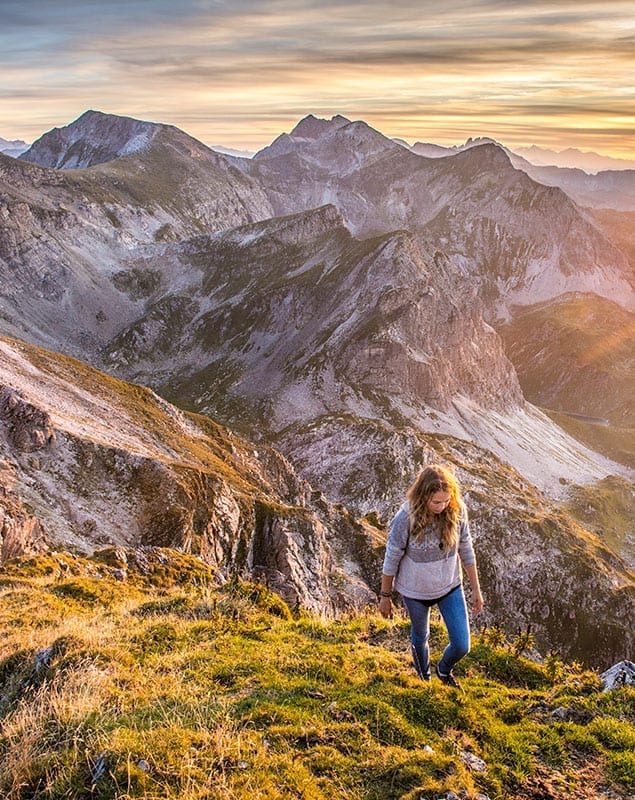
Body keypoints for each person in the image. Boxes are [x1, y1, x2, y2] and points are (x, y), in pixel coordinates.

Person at [378, 464, 484, 688]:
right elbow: (391, 558)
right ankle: (424, 680)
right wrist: (385, 597)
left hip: (450, 586)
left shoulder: (457, 511)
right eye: (436, 502)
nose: (442, 506)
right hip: (415, 592)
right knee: (420, 636)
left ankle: (443, 670)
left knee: (462, 644)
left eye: (446, 500)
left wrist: (476, 589)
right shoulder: (404, 518)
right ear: (422, 496)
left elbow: (466, 548)